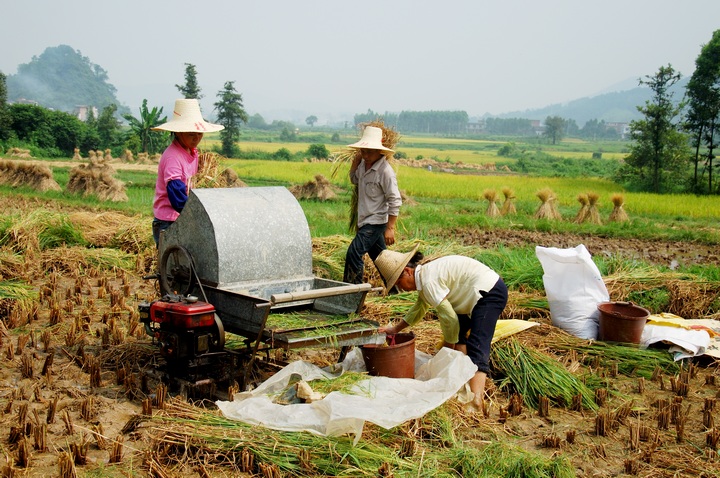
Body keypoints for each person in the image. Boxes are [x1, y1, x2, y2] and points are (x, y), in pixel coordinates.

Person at [374, 245, 508, 411]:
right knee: (459, 336)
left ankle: (476, 401)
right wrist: (395, 330)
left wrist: (448, 348)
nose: (401, 289)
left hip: (488, 292)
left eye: (399, 283)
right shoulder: (423, 279)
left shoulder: (428, 281)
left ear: (408, 271)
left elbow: (449, 319)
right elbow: (418, 309)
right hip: (468, 297)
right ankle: (463, 382)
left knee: (477, 343)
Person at [151, 98, 224, 246]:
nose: (196, 137)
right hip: (169, 221)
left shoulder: (192, 152)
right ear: (178, 132)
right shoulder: (173, 157)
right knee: (175, 265)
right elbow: (176, 194)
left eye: (199, 133)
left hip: (183, 217)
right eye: (191, 134)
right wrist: (198, 213)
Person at [343, 126, 402, 284]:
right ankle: (396, 288)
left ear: (380, 152)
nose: (366, 155)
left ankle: (352, 294)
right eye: (363, 151)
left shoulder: (385, 172)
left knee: (354, 253)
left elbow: (395, 200)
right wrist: (355, 164)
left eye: (370, 152)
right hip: (364, 221)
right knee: (382, 259)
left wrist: (390, 228)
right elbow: (355, 180)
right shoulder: (363, 165)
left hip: (375, 222)